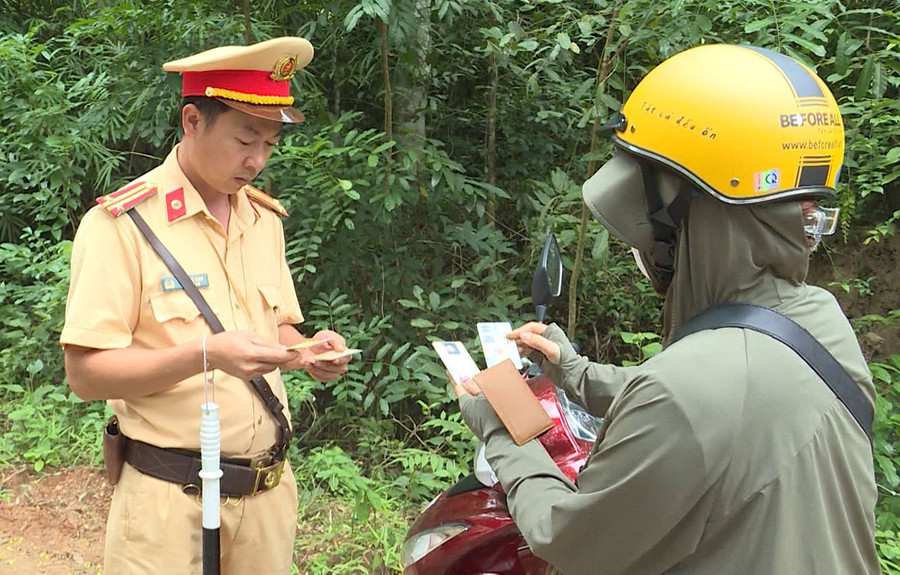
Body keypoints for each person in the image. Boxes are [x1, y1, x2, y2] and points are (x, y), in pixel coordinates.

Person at [455, 44, 879, 574]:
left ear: (681, 213)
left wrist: (498, 425)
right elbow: (723, 412)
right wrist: (575, 372)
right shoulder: (821, 320)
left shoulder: (683, 393)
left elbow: (566, 540)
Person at [61, 37, 352, 574]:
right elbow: (86, 375)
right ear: (193, 120)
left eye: (269, 143)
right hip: (168, 507)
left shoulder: (262, 221)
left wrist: (309, 352)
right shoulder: (122, 228)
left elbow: (279, 327)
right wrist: (205, 354)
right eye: (245, 139)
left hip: (267, 498)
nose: (257, 161)